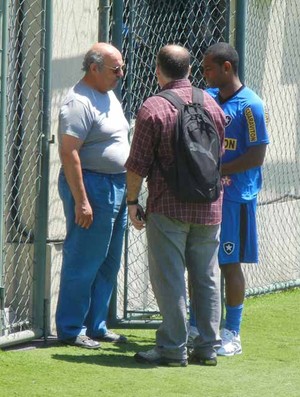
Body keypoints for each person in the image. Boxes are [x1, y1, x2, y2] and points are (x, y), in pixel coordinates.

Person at [125, 44, 225, 367]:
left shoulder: (153, 108)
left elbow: (137, 164)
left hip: (168, 206)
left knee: (169, 277)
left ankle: (172, 347)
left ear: (159, 69)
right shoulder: (210, 102)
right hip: (210, 206)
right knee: (206, 277)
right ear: (190, 69)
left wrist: (132, 202)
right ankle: (208, 347)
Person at [190, 42, 269, 356]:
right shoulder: (206, 98)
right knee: (198, 262)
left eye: (209, 67)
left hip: (236, 197)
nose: (204, 73)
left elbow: (257, 154)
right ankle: (196, 325)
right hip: (205, 197)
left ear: (227, 68)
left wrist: (217, 168)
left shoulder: (250, 107)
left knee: (228, 263)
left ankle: (232, 333)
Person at [55, 42, 129, 349]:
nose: (121, 74)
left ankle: (96, 325)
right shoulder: (78, 101)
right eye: (115, 69)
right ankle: (72, 329)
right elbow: (69, 152)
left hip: (118, 185)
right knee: (84, 259)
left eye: (123, 67)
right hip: (93, 186)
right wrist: (82, 201)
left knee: (108, 261)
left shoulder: (107, 93)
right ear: (94, 68)